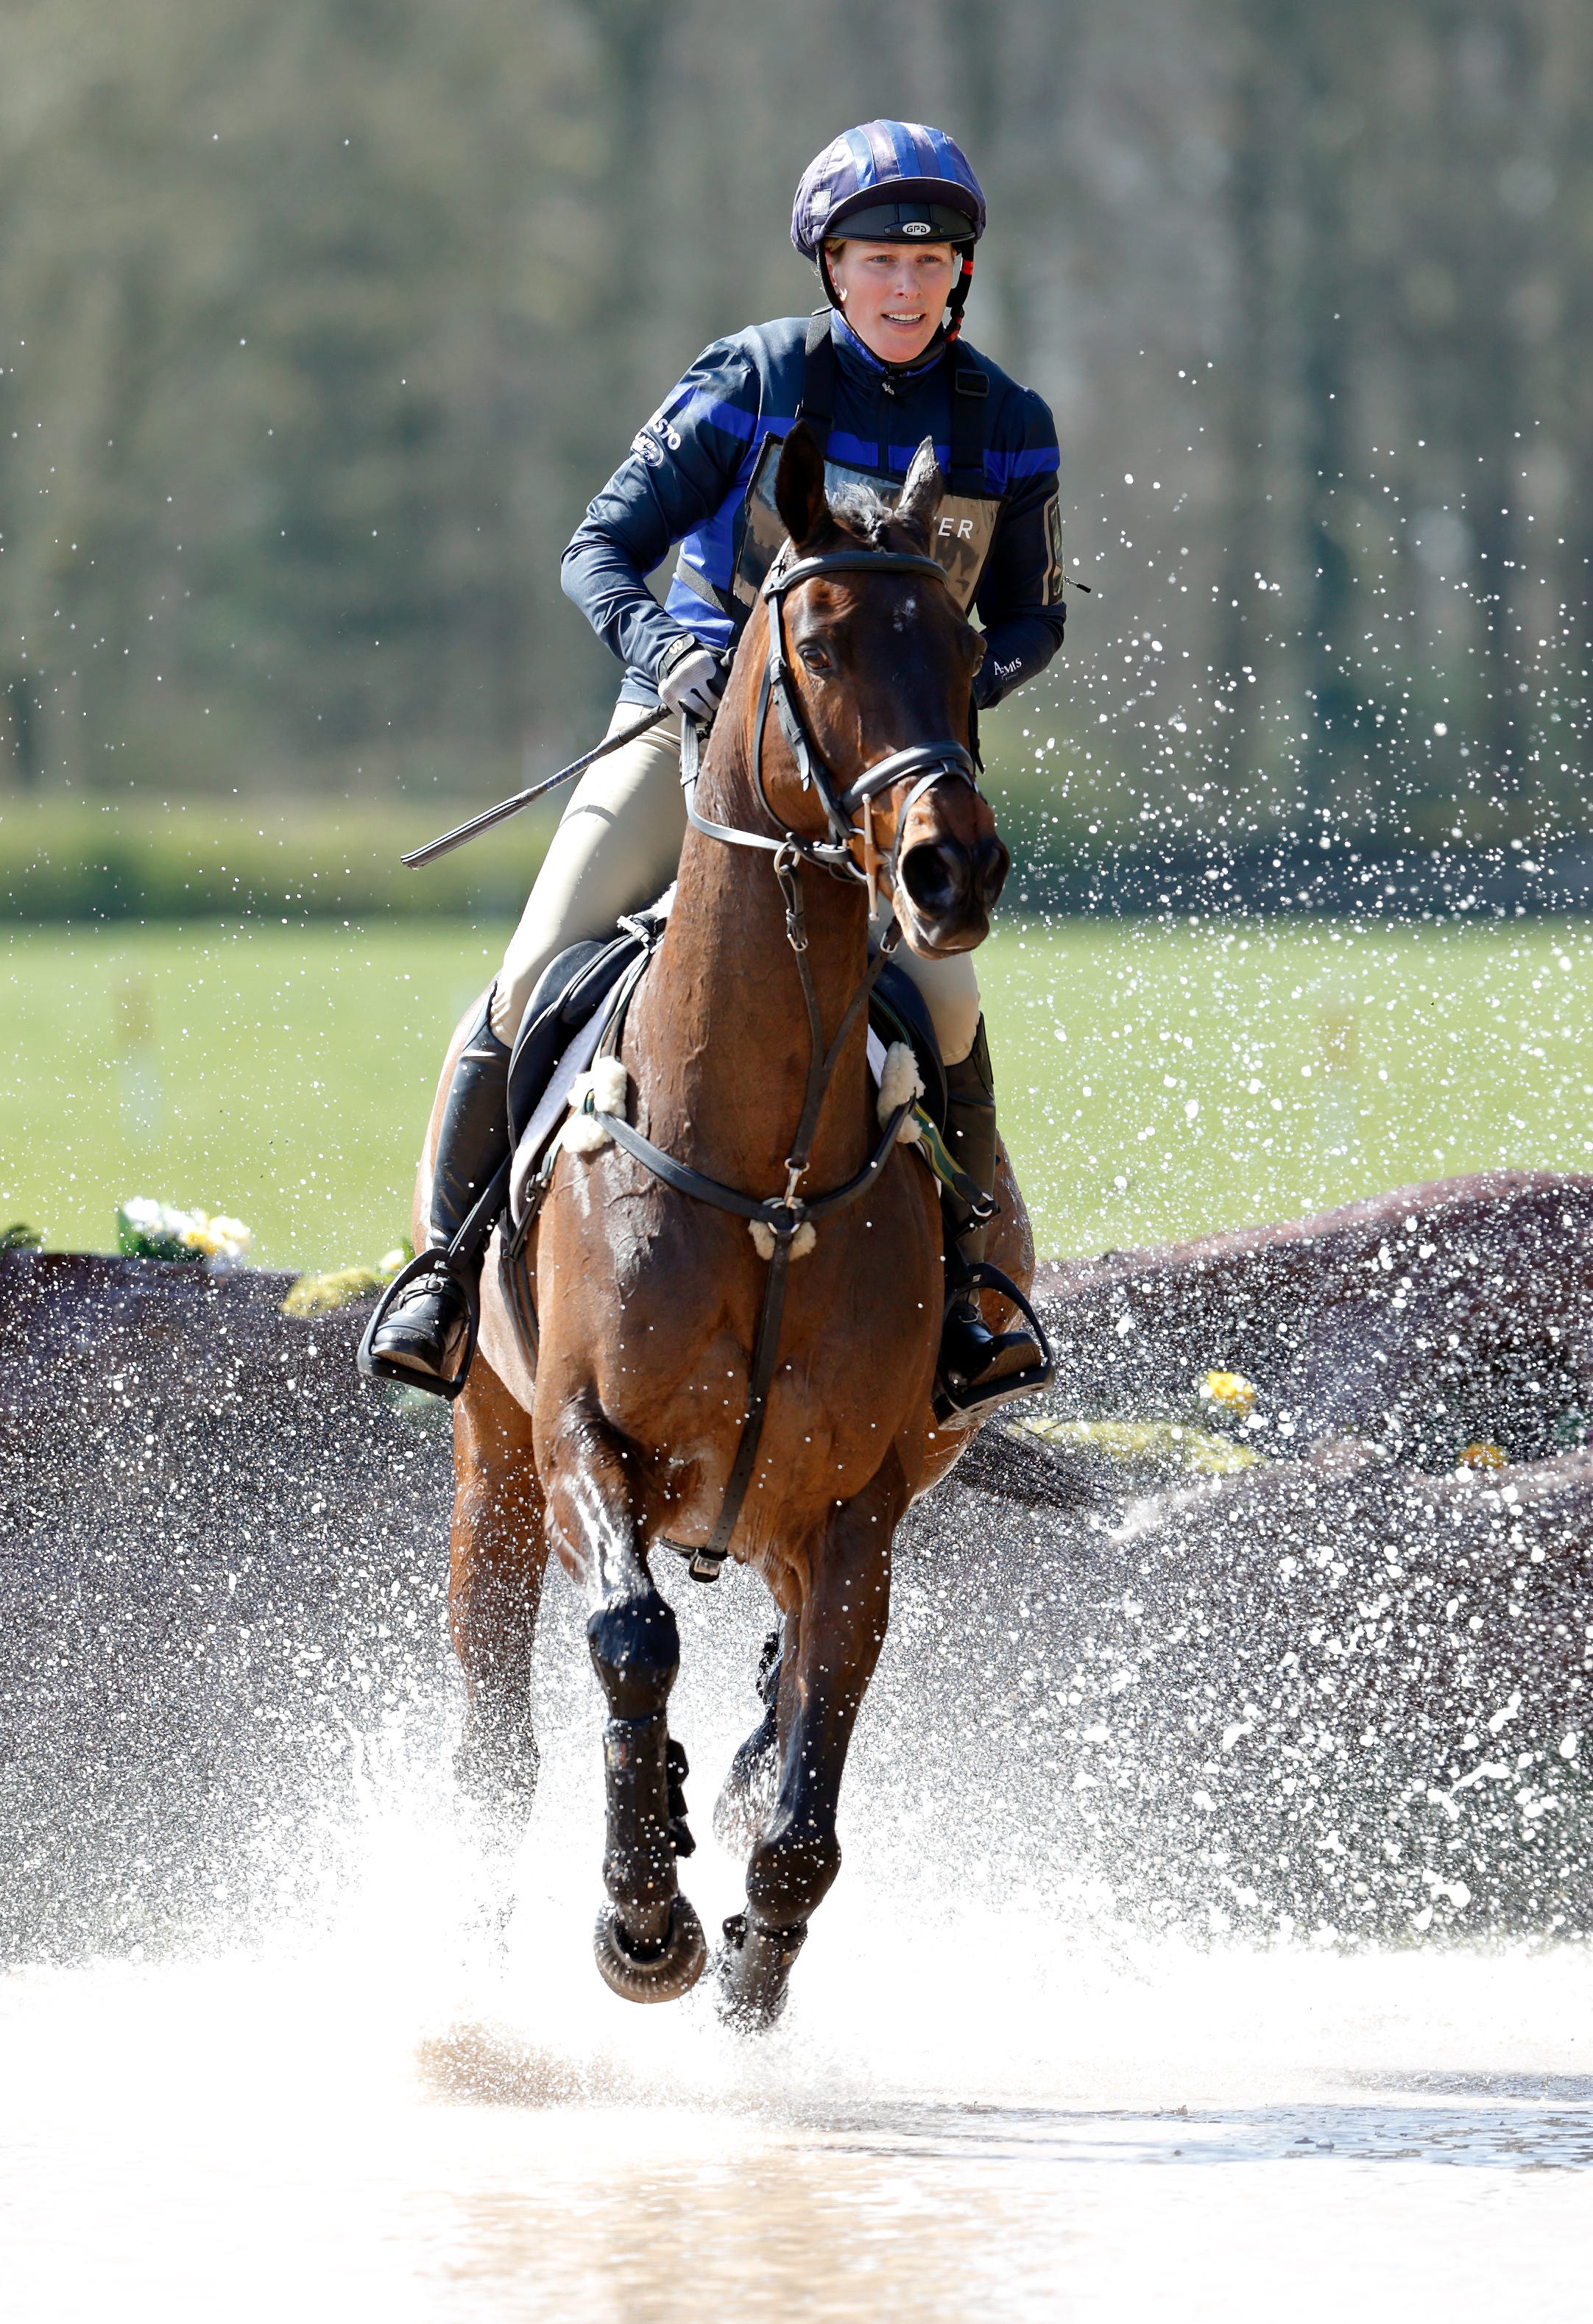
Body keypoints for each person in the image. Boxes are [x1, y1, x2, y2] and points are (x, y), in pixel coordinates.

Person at [370, 120, 1068, 1401]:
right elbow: (599, 546)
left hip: (869, 782)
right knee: (529, 976)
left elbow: (1035, 616)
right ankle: (446, 1276)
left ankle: (977, 1295)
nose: (905, 286)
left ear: (962, 272)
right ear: (832, 268)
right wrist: (671, 657)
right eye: (877, 261)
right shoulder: (752, 380)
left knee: (950, 1009)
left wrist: (951, 689)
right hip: (688, 731)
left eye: (931, 262)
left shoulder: (1007, 425)